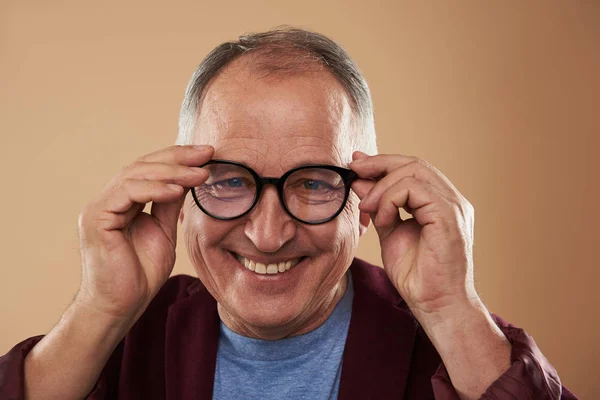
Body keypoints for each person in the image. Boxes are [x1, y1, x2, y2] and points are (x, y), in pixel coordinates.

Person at [0, 26, 577, 400]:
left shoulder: (456, 347)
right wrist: (101, 309)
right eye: (229, 180)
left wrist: (451, 308)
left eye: (313, 183)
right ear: (178, 194)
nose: (269, 235)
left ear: (363, 199)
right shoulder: (121, 344)